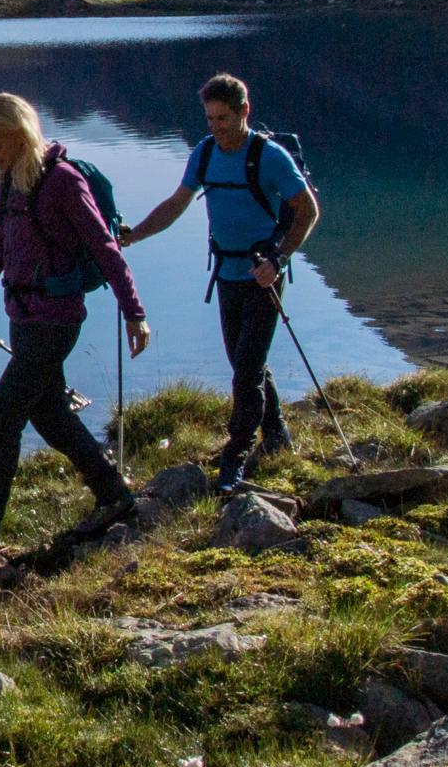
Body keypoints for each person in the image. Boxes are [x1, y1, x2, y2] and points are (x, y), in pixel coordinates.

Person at [0, 92, 149, 569]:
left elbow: (107, 250)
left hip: (55, 321)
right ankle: (114, 495)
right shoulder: (9, 180)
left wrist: (134, 311)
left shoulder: (64, 183)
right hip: (23, 317)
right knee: (50, 417)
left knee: (2, 416)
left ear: (18, 134)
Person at [124, 71, 320, 490]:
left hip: (263, 275)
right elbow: (177, 203)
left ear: (244, 112)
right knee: (244, 361)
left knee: (246, 369)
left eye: (223, 119)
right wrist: (134, 234)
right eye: (210, 119)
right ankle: (278, 433)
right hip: (226, 273)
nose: (215, 127)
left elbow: (308, 211)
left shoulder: (269, 156)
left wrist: (279, 259)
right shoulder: (205, 154)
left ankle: (235, 454)